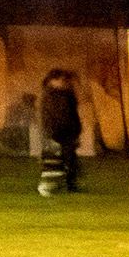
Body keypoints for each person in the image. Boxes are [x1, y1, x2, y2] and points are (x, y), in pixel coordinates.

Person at [37, 66, 84, 196]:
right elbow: (48, 116)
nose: (64, 82)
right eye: (61, 80)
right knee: (54, 162)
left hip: (68, 131)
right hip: (56, 132)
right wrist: (49, 134)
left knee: (70, 160)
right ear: (53, 80)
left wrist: (76, 131)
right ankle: (51, 186)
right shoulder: (49, 95)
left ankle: (70, 185)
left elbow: (73, 114)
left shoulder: (68, 94)